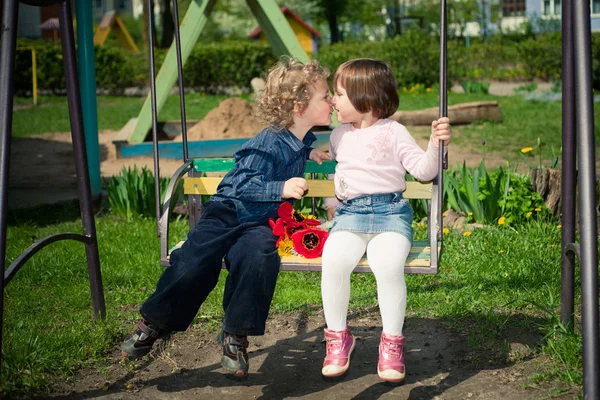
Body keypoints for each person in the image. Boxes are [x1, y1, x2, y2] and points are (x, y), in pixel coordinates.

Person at [120, 57, 333, 379]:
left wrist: (310, 154)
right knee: (194, 261)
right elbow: (239, 183)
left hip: (259, 223)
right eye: (325, 96)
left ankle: (235, 335)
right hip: (226, 214)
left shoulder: (299, 139)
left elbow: (294, 154)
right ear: (299, 107)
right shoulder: (268, 140)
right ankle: (154, 323)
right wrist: (282, 187)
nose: (331, 101)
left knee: (258, 259)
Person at [320, 58, 451, 383]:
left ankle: (391, 344)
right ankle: (338, 338)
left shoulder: (395, 132)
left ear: (365, 97)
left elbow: (423, 171)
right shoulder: (338, 135)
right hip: (350, 214)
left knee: (388, 265)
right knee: (334, 261)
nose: (333, 100)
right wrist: (317, 159)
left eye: (338, 94)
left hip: (391, 214)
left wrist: (436, 143)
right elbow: (336, 165)